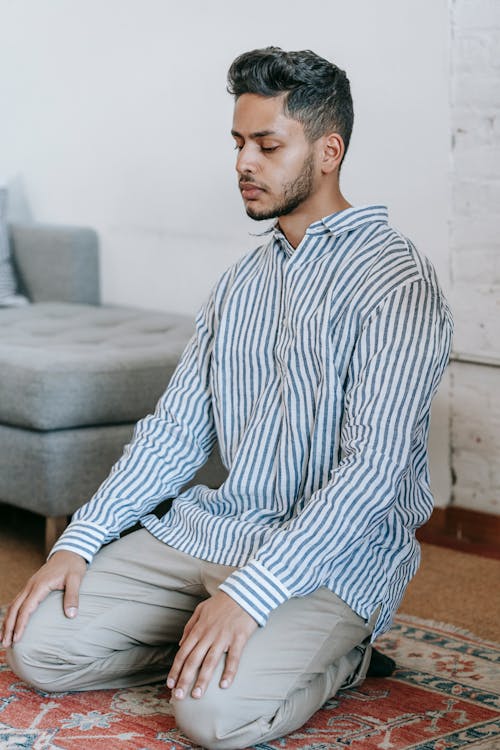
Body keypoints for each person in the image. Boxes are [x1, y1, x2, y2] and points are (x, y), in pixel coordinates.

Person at [1, 47, 452, 748]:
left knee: (214, 716)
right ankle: (206, 639)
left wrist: (255, 591)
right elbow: (174, 433)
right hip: (214, 531)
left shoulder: (398, 283)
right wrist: (80, 541)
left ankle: (345, 653)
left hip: (332, 557)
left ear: (328, 151)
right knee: (38, 647)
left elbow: (373, 472)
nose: (243, 162)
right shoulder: (239, 284)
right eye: (238, 143)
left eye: (267, 145)